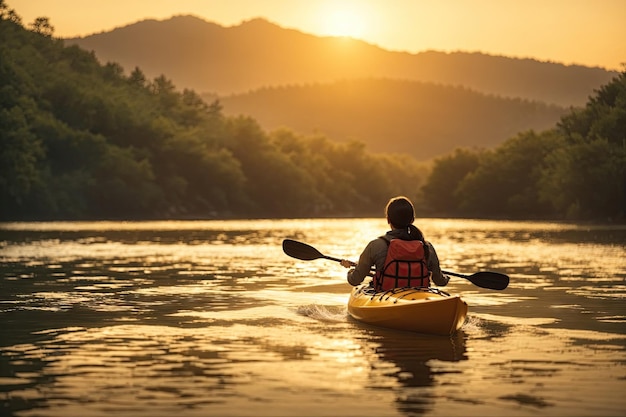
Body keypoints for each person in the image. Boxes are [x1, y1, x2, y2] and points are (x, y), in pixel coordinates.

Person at [340, 196, 449, 290]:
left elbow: (355, 280)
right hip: (419, 296)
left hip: (386, 296)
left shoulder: (376, 246)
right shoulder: (426, 247)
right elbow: (439, 281)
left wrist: (350, 272)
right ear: (412, 220)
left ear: (388, 219)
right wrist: (446, 278)